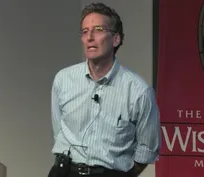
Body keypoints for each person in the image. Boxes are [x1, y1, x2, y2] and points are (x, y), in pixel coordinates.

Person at [48, 2, 161, 177]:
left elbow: (146, 150)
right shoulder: (63, 80)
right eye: (85, 31)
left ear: (116, 39)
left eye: (98, 29)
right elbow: (59, 131)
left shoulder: (139, 91)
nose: (90, 37)